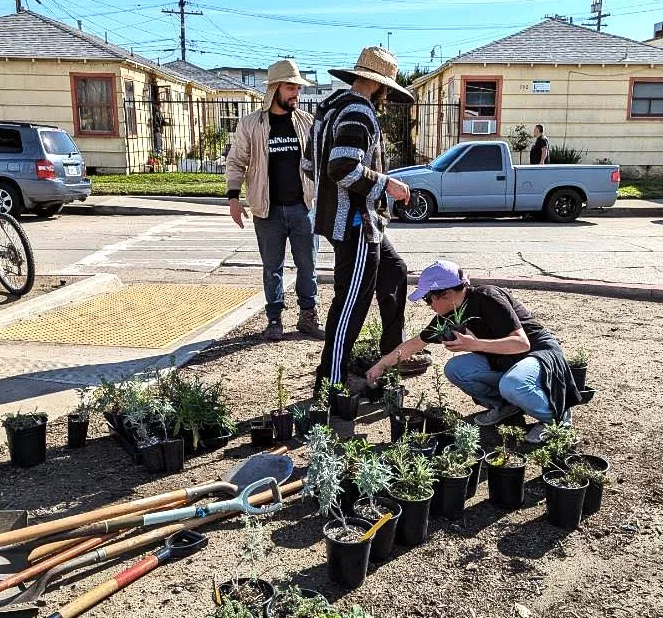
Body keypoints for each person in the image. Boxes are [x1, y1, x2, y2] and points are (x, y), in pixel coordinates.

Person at [302, 46, 428, 391]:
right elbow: (341, 167)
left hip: (353, 220)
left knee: (394, 270)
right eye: (387, 88)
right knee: (352, 303)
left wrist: (336, 198)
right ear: (379, 85)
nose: (386, 96)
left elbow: (310, 165)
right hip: (356, 224)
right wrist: (388, 184)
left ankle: (392, 352)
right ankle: (332, 380)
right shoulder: (359, 112)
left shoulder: (329, 108)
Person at [366, 259, 581, 444]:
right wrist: (380, 366)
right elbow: (415, 344)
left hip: (538, 353)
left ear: (446, 294)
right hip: (503, 358)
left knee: (513, 383)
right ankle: (506, 406)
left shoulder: (488, 297)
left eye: (428, 298)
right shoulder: (449, 315)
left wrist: (475, 345)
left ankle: (556, 418)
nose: (428, 305)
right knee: (456, 369)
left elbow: (521, 344)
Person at [225, 59, 323, 342]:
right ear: (274, 88)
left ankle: (308, 316)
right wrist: (233, 198)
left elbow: (321, 161)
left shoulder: (306, 122)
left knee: (309, 265)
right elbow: (236, 162)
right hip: (267, 210)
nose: (296, 93)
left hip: (303, 207)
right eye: (291, 87)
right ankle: (275, 320)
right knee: (272, 268)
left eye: (298, 88)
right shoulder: (251, 124)